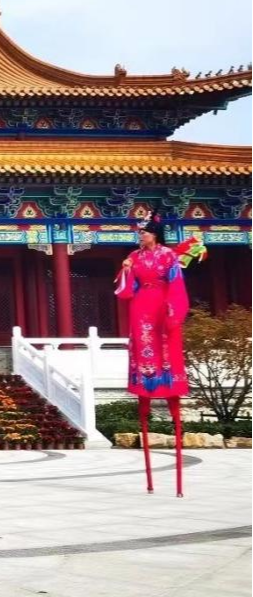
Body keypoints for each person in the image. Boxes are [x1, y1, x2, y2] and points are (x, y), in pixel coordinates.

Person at [116, 213, 191, 497]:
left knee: (165, 344)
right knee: (142, 343)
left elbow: (177, 284)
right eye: (139, 233)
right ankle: (145, 383)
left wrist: (174, 311)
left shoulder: (169, 256)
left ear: (155, 234)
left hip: (163, 302)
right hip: (141, 304)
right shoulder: (134, 257)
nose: (141, 236)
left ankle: (168, 383)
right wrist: (125, 270)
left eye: (144, 232)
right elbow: (126, 292)